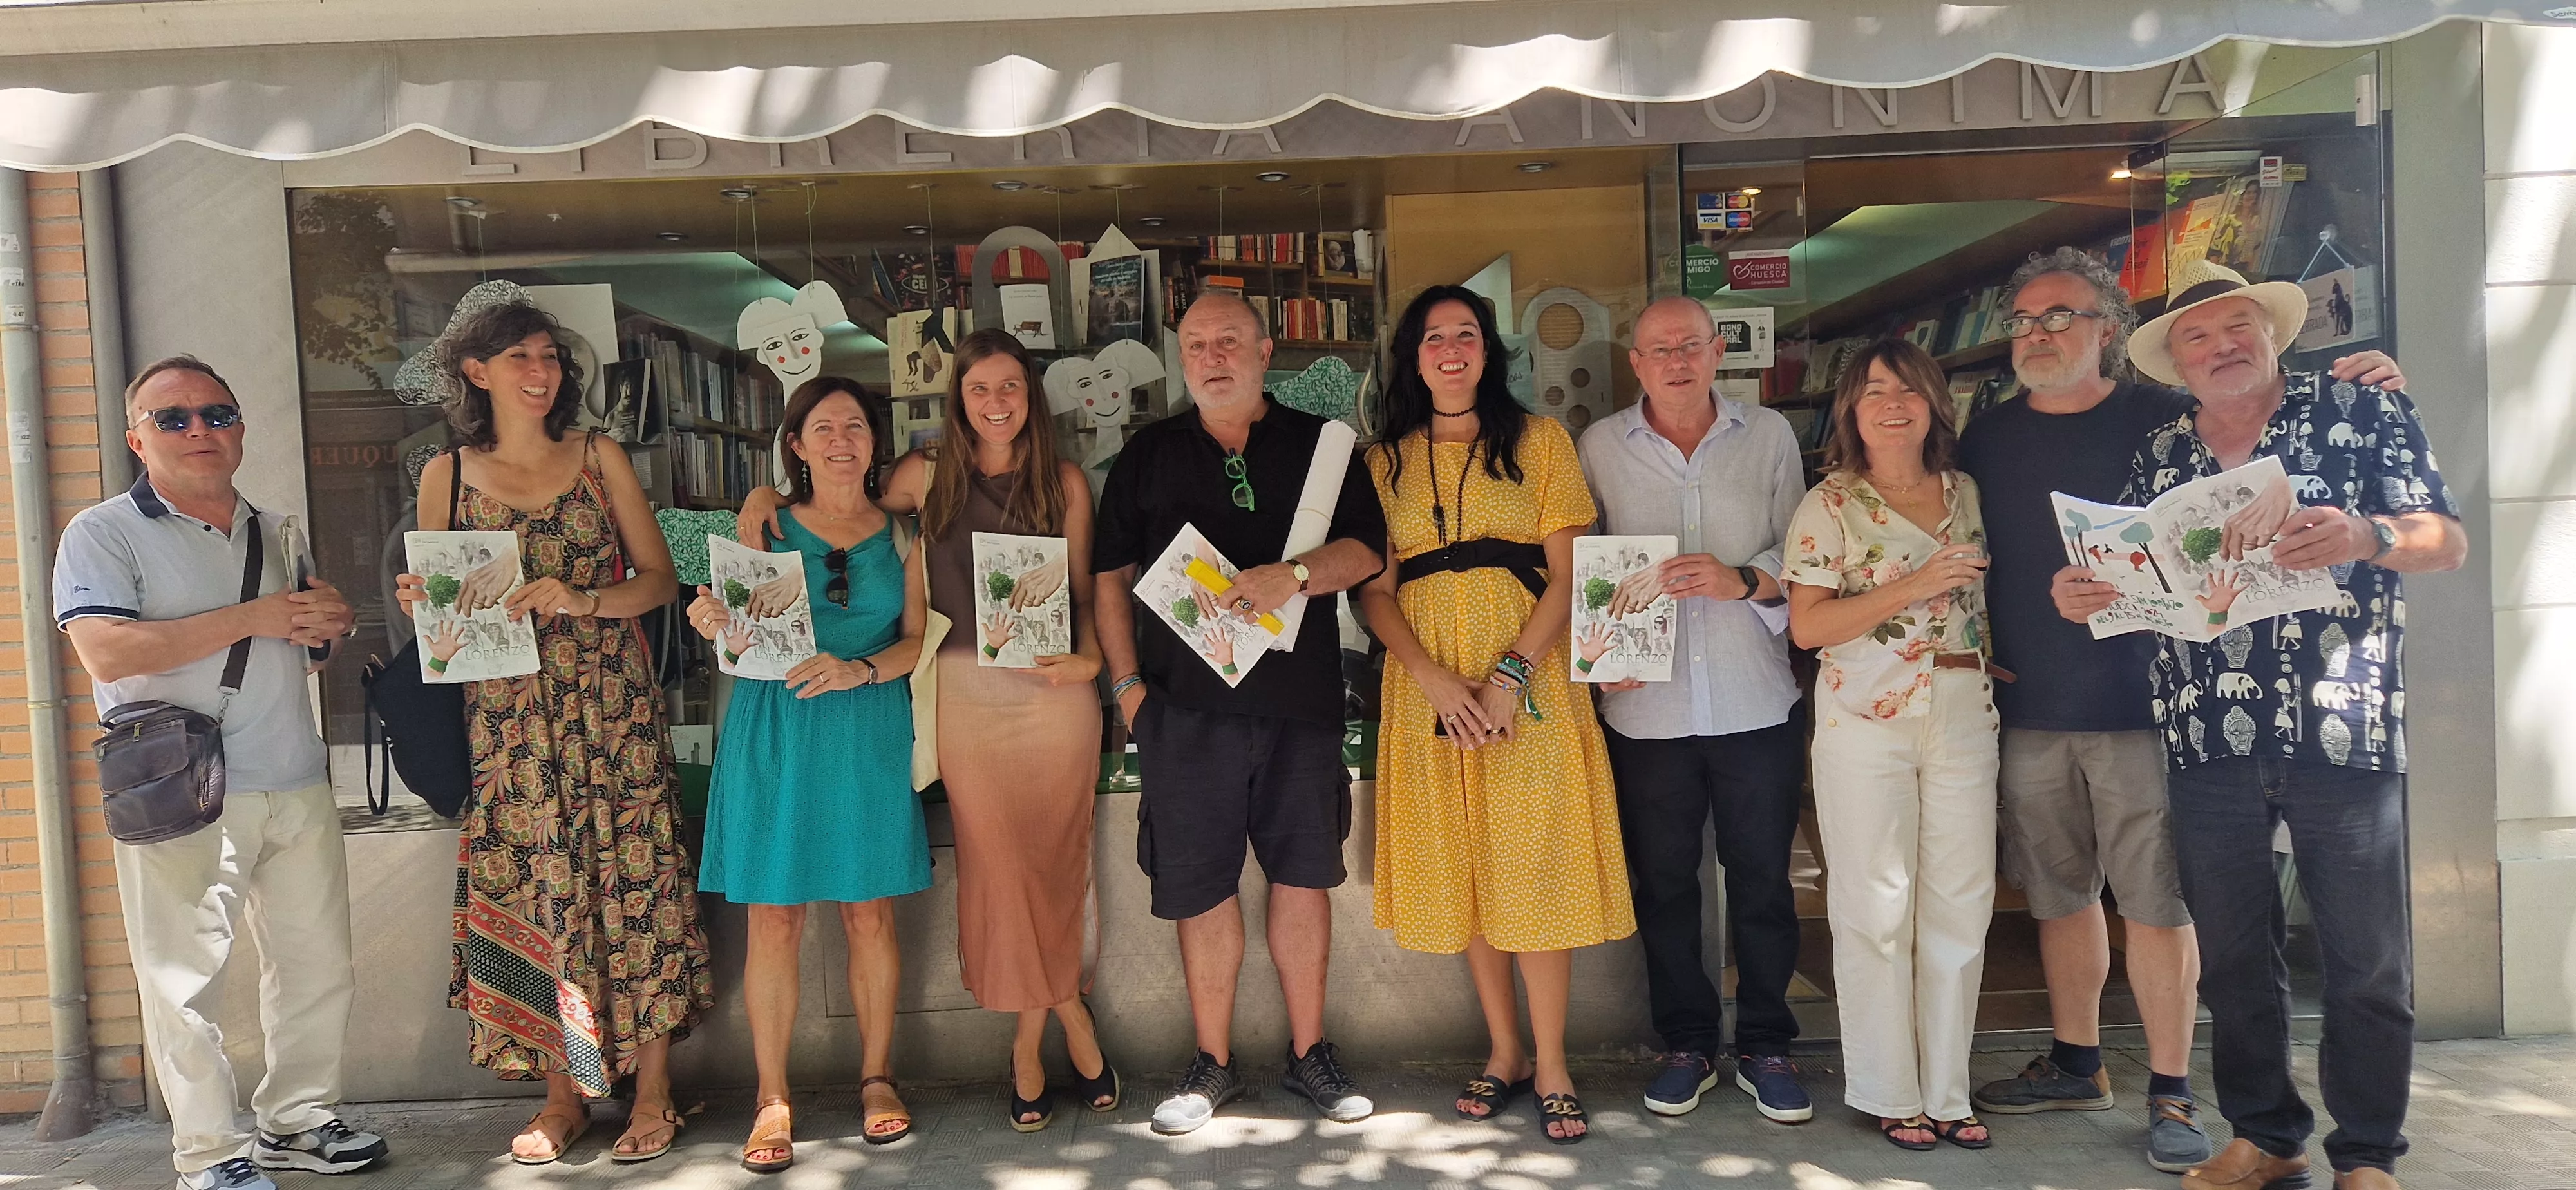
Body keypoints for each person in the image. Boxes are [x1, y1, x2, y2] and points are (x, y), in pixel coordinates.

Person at [1960, 248, 2408, 1173]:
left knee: (2176, 910)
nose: (2039, 335)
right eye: (2026, 321)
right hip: (2078, 708)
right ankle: (2104, 1069)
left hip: (2189, 714)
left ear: (2108, 331)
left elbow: (2419, 521)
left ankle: (2187, 1093)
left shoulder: (2174, 420)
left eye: (2062, 317)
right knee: (2076, 901)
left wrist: (2376, 406)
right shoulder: (2001, 436)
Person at [2053, 261, 2465, 1190]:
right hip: (2207, 732)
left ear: (2273, 332)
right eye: (2197, 336)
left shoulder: (2362, 409)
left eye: (2238, 325)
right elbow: (2146, 591)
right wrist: (2087, 594)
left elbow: (2447, 537)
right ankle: (2266, 1137)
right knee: (2237, 955)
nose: (2221, 345)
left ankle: (2366, 1154)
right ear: (2178, 360)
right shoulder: (2162, 455)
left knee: (2366, 960)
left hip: (2340, 722)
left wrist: (2370, 538)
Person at [737, 338, 1124, 1133]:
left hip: (1053, 695)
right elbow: (838, 498)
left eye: (1009, 386)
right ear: (957, 398)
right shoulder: (922, 477)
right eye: (979, 387)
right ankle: (1067, 1019)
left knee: (1055, 867)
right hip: (964, 695)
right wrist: (760, 497)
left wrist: (1091, 660)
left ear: (1030, 395)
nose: (995, 401)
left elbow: (1084, 590)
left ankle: (1032, 1039)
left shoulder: (1065, 482)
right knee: (997, 869)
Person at [55, 357, 388, 1190]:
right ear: (138, 437)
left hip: (295, 774)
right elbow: (106, 650)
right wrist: (257, 616)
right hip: (180, 783)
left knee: (318, 968)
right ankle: (209, 1156)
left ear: (240, 426)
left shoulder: (278, 529)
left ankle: (299, 1119)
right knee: (182, 980)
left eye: (217, 413)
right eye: (173, 418)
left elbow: (294, 651)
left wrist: (327, 627)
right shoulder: (101, 532)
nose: (199, 429)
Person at [395, 298, 712, 1165]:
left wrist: (583, 599)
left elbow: (658, 580)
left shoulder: (599, 457)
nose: (541, 374)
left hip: (610, 711)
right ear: (476, 373)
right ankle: (563, 1092)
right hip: (509, 725)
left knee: (631, 884)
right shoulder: (446, 475)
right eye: (520, 359)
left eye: (550, 358)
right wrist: (421, 599)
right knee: (539, 894)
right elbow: (442, 607)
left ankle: (653, 1092)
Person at [1092, 292, 1387, 1135]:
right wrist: (1127, 690)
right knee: (1199, 888)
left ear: (1264, 351)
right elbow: (1109, 577)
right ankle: (1211, 1064)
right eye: (1194, 344)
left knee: (1302, 881)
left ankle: (1311, 1056)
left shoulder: (1324, 448)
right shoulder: (1146, 457)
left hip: (1300, 711)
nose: (1211, 355)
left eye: (1228, 340)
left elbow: (1367, 551)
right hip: (1182, 716)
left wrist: (1290, 576)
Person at [1356, 286, 1634, 1145]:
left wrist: (1509, 674)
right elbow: (1374, 591)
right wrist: (1435, 680)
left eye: (1466, 335)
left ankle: (1552, 1061)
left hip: (1532, 681)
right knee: (1473, 865)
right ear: (1412, 356)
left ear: (1489, 352)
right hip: (1426, 685)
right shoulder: (1384, 462)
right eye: (1433, 337)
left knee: (1534, 864)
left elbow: (1570, 571)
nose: (1450, 349)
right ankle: (1504, 1049)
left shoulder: (1541, 442)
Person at [1578, 296, 1813, 1125]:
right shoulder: (1599, 446)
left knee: (1761, 883)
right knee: (1667, 886)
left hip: (1755, 700)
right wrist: (1596, 659)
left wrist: (1742, 579)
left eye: (1690, 345)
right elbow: (1586, 567)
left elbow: (1808, 550)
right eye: (1656, 349)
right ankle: (1685, 1043)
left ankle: (1766, 1043)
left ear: (1719, 353)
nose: (1675, 360)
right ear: (1634, 362)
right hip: (1648, 712)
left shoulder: (1772, 437)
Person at [691, 377, 933, 1166]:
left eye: (855, 426)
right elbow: (736, 629)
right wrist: (712, 621)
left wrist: (861, 670)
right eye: (822, 428)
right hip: (774, 727)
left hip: (864, 725)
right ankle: (772, 1099)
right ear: (794, 445)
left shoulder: (904, 534)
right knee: (774, 918)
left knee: (868, 911)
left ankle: (876, 1079)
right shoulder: (762, 524)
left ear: (873, 442)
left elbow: (916, 639)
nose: (841, 440)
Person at [1783, 337, 1998, 1153]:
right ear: (1852, 410)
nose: (1893, 403)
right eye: (1875, 391)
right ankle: (1886, 1086)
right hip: (1864, 719)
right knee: (1874, 906)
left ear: (1935, 403)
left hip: (1962, 708)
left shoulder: (1966, 491)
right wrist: (1915, 583)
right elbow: (1808, 626)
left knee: (1960, 901)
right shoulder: (1830, 504)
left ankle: (1947, 1087)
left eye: (1909, 388)